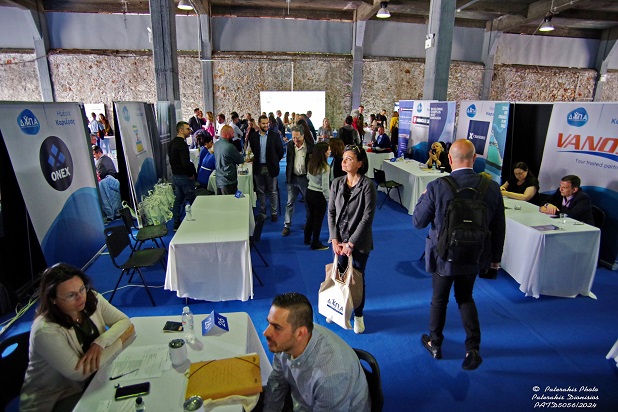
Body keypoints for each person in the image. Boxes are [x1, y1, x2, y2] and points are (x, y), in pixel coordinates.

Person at [413, 139, 505, 371]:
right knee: (465, 297)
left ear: (449, 159)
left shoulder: (437, 186)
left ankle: (435, 344)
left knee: (439, 299)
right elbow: (499, 228)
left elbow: (418, 221)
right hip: (474, 254)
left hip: (443, 255)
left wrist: (424, 196)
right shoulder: (491, 187)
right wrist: (495, 260)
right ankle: (473, 348)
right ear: (474, 159)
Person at [20, 263, 135, 412]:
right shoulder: (45, 332)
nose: (81, 298)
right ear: (53, 299)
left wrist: (100, 343)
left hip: (94, 377)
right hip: (57, 397)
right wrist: (119, 341)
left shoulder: (91, 299)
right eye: (70, 295)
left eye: (82, 289)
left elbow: (124, 321)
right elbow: (80, 372)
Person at [262, 292, 370, 412]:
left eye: (277, 327)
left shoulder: (330, 377)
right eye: (269, 323)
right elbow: (277, 381)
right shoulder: (284, 343)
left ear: (300, 333)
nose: (266, 333)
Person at [328, 145, 376, 334]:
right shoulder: (337, 183)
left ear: (359, 164)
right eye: (343, 158)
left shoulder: (367, 185)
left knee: (356, 279)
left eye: (349, 159)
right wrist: (334, 238)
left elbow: (367, 217)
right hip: (339, 241)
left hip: (359, 242)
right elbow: (331, 212)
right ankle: (337, 307)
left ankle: (358, 315)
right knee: (339, 275)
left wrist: (351, 243)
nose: (344, 162)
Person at [248, 115, 284, 222]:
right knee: (261, 191)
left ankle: (274, 213)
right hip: (258, 167)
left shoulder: (275, 136)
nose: (266, 125)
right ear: (259, 124)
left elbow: (281, 151)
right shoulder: (253, 136)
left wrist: (274, 161)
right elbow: (253, 150)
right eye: (263, 123)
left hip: (271, 167)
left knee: (273, 191)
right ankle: (262, 213)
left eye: (267, 123)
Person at [282, 125, 314, 237]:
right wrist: (288, 177)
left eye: (297, 137)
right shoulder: (290, 145)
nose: (295, 140)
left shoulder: (310, 147)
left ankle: (308, 223)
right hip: (293, 178)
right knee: (290, 203)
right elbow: (288, 162)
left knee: (308, 203)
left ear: (303, 135)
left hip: (305, 179)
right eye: (293, 137)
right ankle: (287, 225)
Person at [169, 121, 197, 231]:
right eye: (187, 129)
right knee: (191, 198)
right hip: (184, 176)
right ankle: (192, 220)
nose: (189, 131)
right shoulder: (182, 144)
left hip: (175, 175)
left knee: (179, 198)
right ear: (181, 130)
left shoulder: (172, 143)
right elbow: (185, 162)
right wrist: (190, 174)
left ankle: (176, 222)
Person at [305, 142, 331, 250]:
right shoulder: (325, 167)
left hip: (309, 192)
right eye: (328, 150)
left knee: (311, 217)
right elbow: (325, 186)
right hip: (319, 195)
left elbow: (307, 177)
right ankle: (315, 243)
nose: (330, 152)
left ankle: (307, 239)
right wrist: (329, 199)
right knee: (318, 220)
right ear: (323, 153)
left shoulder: (311, 163)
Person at [214, 124, 244, 195]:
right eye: (232, 133)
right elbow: (241, 160)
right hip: (228, 181)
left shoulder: (216, 144)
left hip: (219, 179)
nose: (233, 135)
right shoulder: (230, 147)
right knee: (231, 201)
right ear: (227, 135)